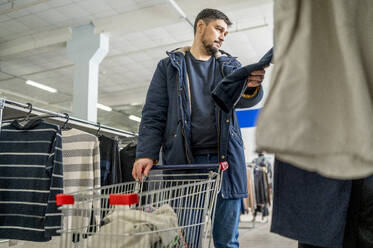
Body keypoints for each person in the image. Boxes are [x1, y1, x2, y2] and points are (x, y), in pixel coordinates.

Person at [132, 8, 267, 248]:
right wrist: (146, 153)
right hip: (185, 165)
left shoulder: (228, 65)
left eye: (226, 32)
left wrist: (251, 85)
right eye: (218, 28)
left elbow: (247, 100)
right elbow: (154, 114)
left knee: (227, 242)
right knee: (187, 240)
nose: (223, 36)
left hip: (225, 164)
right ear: (200, 26)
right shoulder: (170, 67)